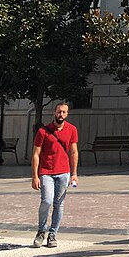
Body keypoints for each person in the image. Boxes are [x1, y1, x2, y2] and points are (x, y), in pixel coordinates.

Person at [30, 102, 79, 248]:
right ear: (54, 113)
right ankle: (41, 231)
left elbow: (74, 152)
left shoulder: (72, 130)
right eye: (59, 112)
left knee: (59, 204)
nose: (61, 115)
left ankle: (53, 234)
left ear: (67, 114)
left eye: (64, 112)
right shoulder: (43, 132)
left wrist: (74, 173)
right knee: (47, 200)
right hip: (46, 172)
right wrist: (35, 176)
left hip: (64, 172)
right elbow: (36, 154)